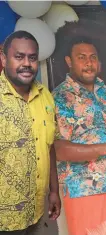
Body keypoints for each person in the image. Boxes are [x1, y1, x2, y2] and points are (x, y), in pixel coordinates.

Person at [53, 36, 106, 235]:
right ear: (69, 62)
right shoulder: (61, 97)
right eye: (81, 57)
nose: (88, 62)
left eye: (92, 57)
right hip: (86, 191)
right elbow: (58, 149)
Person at [0, 31, 61, 234]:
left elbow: (49, 146)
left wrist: (54, 191)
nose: (26, 63)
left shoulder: (46, 97)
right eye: (19, 57)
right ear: (3, 58)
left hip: (36, 212)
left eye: (32, 58)